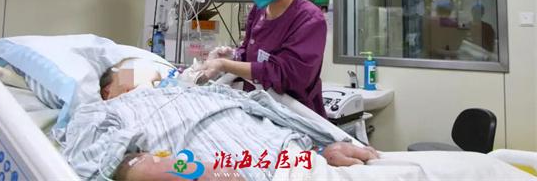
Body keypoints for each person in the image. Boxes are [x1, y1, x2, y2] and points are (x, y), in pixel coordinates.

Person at [84, 68, 378, 181]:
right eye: (128, 74)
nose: (141, 76)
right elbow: (97, 158)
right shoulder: (106, 110)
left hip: (306, 162)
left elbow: (264, 108)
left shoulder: (198, 91)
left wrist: (322, 146)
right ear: (107, 90)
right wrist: (184, 171)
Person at [196, 0, 328, 117]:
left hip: (294, 117)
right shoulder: (259, 10)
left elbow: (285, 75)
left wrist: (225, 65)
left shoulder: (309, 19)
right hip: (258, 109)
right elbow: (252, 54)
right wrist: (234, 55)